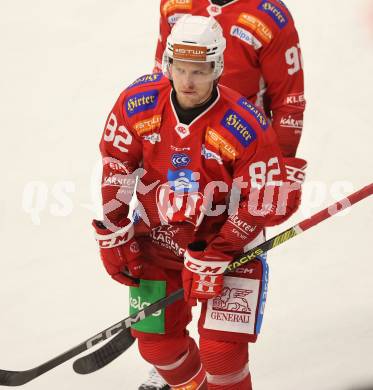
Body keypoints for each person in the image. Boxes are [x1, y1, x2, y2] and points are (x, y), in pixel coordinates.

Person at [94, 15, 305, 390]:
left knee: (222, 353)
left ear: (218, 67)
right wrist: (114, 230)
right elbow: (117, 163)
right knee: (158, 348)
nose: (188, 81)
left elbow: (263, 199)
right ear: (168, 64)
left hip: (228, 244)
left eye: (201, 70)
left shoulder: (246, 124)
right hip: (157, 240)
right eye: (181, 69)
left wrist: (221, 251)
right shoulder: (137, 102)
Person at [153, 0, 305, 159]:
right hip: (179, 141)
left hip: (242, 143)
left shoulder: (270, 16)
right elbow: (162, 75)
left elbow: (289, 102)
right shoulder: (173, 4)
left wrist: (280, 165)